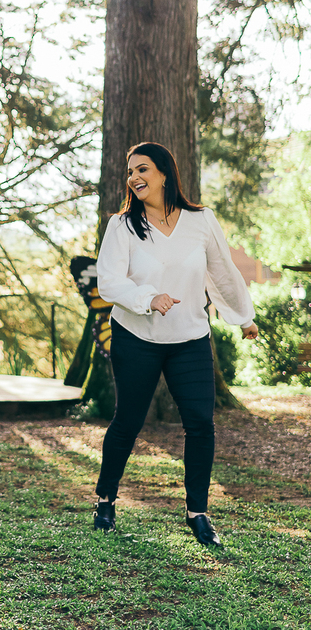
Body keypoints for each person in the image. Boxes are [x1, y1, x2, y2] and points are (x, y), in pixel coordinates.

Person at [93, 141, 259, 546]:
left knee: (201, 424)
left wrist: (242, 317)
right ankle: (105, 500)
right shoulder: (122, 226)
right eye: (130, 171)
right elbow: (109, 281)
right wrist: (148, 298)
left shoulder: (201, 220)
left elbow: (222, 272)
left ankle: (197, 513)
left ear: (165, 172)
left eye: (143, 169)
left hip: (190, 339)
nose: (134, 177)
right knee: (129, 422)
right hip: (137, 337)